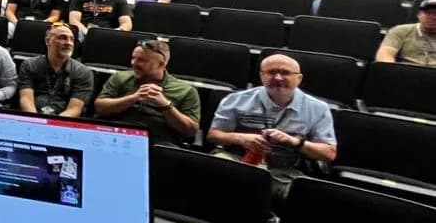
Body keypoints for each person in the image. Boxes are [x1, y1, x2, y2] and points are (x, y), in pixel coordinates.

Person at [208, 54, 338, 194]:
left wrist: (294, 142)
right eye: (271, 72)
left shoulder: (318, 108)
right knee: (212, 173)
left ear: (299, 78)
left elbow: (329, 153)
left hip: (284, 172)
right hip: (237, 161)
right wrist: (241, 138)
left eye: (285, 73)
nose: (277, 77)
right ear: (261, 75)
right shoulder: (235, 100)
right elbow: (213, 135)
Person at [92, 39, 199, 146]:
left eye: (142, 60)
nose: (133, 63)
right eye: (133, 58)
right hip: (116, 136)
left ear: (161, 64)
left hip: (158, 143)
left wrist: (166, 105)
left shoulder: (186, 91)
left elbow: (190, 131)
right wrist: (133, 98)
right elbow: (100, 108)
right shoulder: (120, 78)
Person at [17, 24, 94, 117]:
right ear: (47, 41)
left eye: (72, 39)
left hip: (63, 122)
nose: (68, 43)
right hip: (32, 117)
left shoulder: (83, 72)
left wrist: (52, 125)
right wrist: (36, 121)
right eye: (62, 38)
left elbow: (74, 109)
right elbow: (26, 99)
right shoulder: (30, 65)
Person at [376, 0, 436, 66]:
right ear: (419, 15)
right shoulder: (400, 30)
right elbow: (385, 55)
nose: (433, 17)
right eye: (429, 13)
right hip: (405, 72)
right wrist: (393, 71)